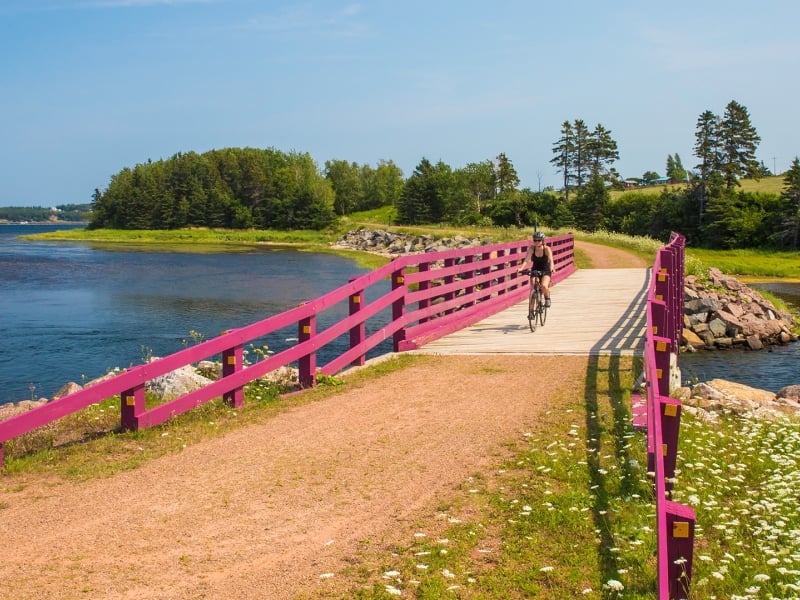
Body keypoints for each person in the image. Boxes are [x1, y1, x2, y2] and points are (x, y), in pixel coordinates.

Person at [519, 231, 555, 307]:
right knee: (533, 289)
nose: (537, 242)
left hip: (545, 270)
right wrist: (521, 268)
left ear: (542, 241)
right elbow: (526, 260)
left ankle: (547, 298)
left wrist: (552, 268)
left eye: (539, 240)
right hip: (535, 269)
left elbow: (551, 260)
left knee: (544, 285)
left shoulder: (547, 249)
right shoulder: (532, 248)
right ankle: (531, 311)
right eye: (535, 240)